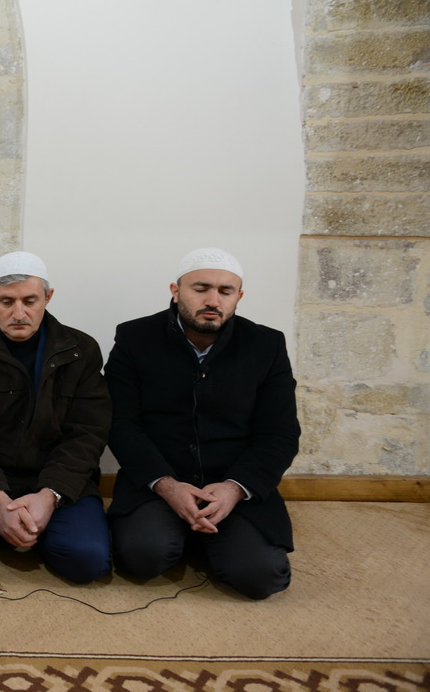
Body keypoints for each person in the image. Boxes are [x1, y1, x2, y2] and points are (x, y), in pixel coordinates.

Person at [105, 247, 300, 599]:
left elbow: (280, 433)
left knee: (260, 577)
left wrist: (234, 488)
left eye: (225, 291)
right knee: (143, 557)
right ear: (175, 291)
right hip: (159, 479)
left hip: (234, 482)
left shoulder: (266, 345)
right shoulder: (135, 338)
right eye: (201, 288)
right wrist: (167, 486)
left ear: (238, 297)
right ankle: (186, 533)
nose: (213, 300)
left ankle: (206, 534)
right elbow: (122, 423)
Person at [0, 251, 112, 583]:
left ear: (48, 297)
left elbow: (88, 433)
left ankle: (32, 525)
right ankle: (13, 523)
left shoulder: (81, 349)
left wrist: (49, 496)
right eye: (6, 302)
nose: (19, 313)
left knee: (87, 560)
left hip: (58, 478)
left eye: (30, 301)